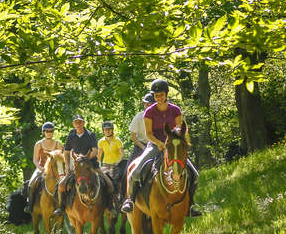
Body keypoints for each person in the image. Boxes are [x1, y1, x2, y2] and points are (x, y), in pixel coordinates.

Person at [121, 79, 201, 216]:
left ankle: (190, 205)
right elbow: (148, 134)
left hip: (173, 146)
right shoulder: (149, 112)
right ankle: (130, 201)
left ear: (166, 94)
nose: (159, 98)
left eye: (161, 95)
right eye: (156, 95)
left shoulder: (175, 110)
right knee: (135, 172)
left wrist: (172, 143)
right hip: (155, 145)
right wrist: (159, 143)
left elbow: (180, 130)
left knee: (195, 174)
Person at [53, 115, 113, 216]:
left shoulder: (91, 135)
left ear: (84, 123)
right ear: (73, 124)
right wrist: (67, 166)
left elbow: (95, 151)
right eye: (76, 122)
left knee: (109, 184)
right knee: (61, 186)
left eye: (80, 122)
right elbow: (66, 152)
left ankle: (110, 207)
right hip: (76, 166)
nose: (78, 124)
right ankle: (62, 207)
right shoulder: (71, 136)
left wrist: (84, 159)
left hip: (91, 165)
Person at [23, 122, 63, 213]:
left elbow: (61, 159)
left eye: (51, 131)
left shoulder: (58, 144)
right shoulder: (39, 144)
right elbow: (35, 160)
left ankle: (64, 206)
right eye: (47, 131)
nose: (49, 133)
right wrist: (41, 168)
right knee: (31, 183)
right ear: (43, 132)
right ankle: (30, 205)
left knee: (64, 183)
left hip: (55, 170)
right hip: (41, 168)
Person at [128, 93, 155, 165]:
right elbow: (133, 136)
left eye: (151, 105)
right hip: (140, 146)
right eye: (147, 104)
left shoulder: (159, 117)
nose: (149, 107)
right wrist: (143, 147)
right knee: (128, 167)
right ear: (144, 104)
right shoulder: (138, 117)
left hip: (155, 145)